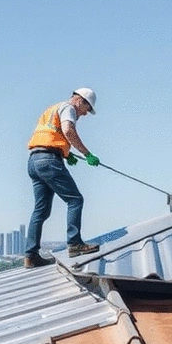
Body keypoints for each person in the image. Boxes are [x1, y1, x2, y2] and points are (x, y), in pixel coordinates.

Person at [24, 88, 101, 267]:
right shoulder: (69, 108)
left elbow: (51, 136)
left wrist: (67, 154)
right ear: (80, 101)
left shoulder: (52, 109)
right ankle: (75, 244)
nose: (84, 114)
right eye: (86, 109)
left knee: (41, 211)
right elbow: (68, 130)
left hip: (35, 160)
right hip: (49, 161)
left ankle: (30, 255)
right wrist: (87, 153)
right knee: (75, 199)